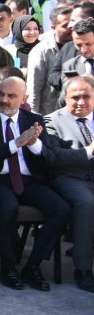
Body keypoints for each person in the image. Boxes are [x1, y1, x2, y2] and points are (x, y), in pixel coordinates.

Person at [0, 76, 70, 291]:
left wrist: (34, 144)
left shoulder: (35, 120)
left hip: (28, 180)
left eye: (11, 96)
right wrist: (16, 143)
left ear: (24, 98)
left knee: (61, 209)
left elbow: (49, 158)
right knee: (8, 206)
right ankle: (8, 265)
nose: (4, 100)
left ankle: (33, 265)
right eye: (1, 94)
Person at [41, 75, 94, 292]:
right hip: (70, 179)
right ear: (65, 97)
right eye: (75, 97)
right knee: (87, 204)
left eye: (86, 97)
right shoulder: (51, 121)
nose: (81, 102)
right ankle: (83, 269)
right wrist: (88, 152)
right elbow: (53, 157)